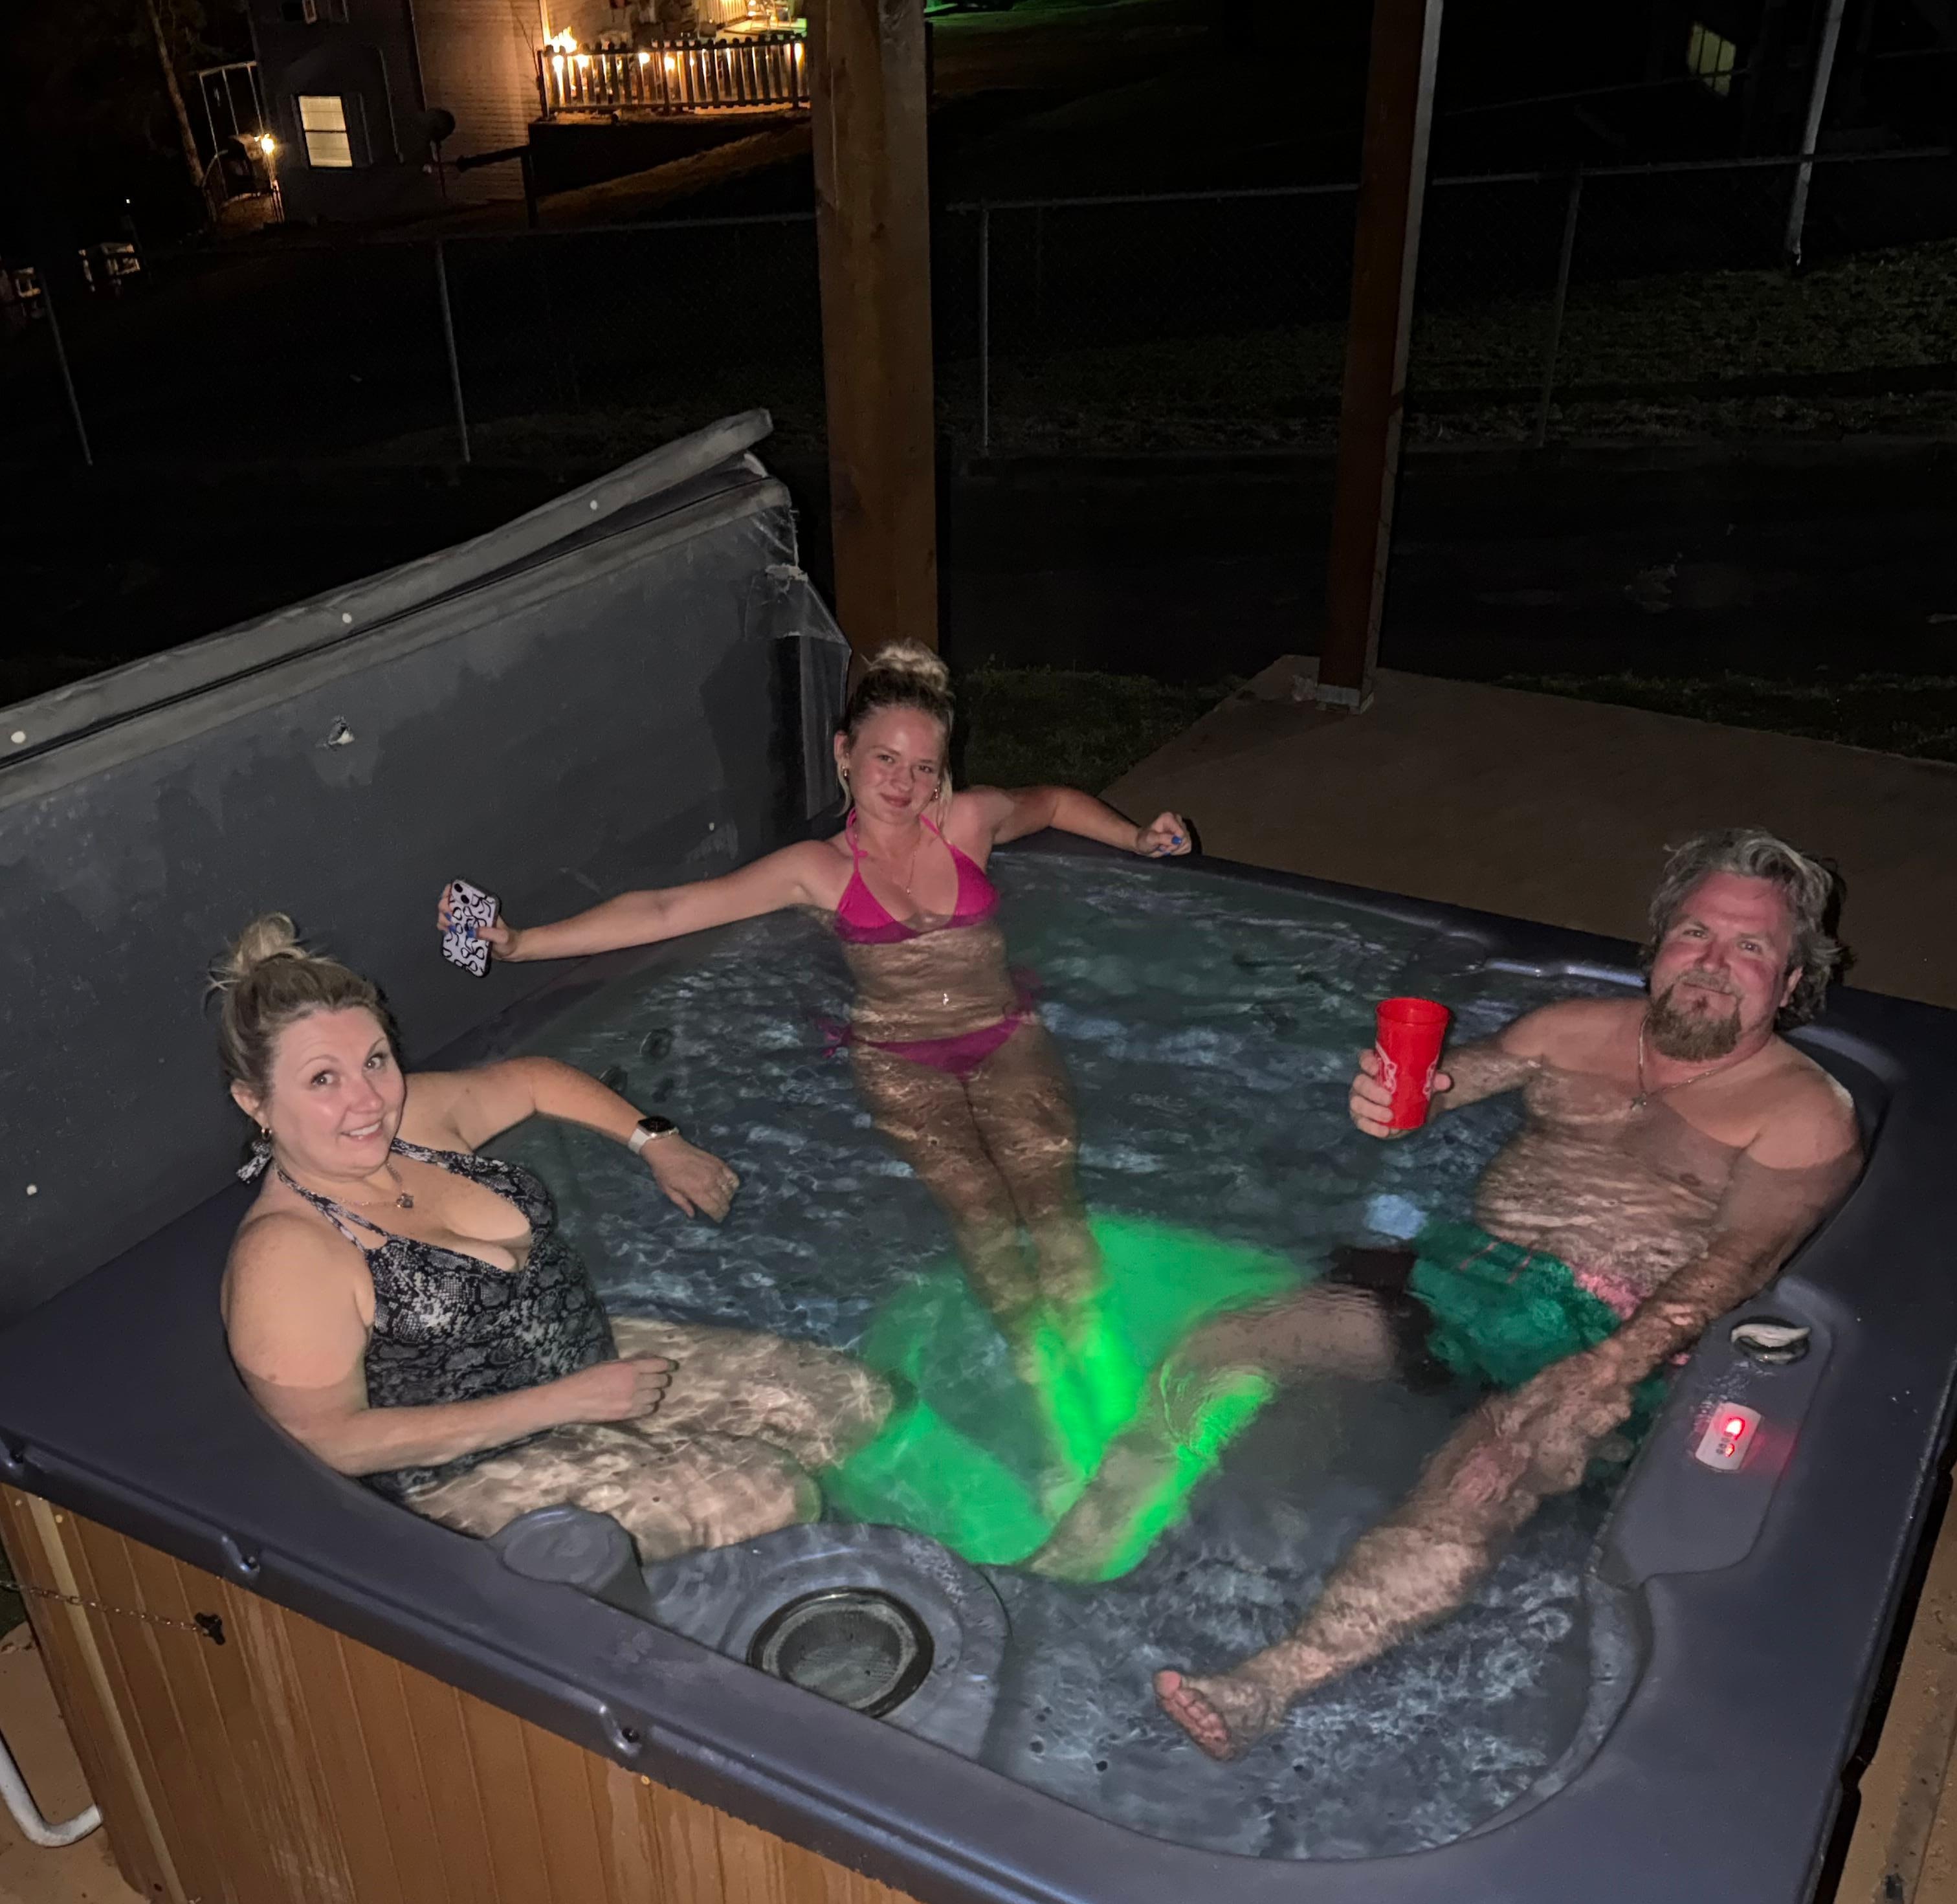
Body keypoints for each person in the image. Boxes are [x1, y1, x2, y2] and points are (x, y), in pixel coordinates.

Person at [1037, 829, 1864, 1758]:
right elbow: (1445, 1079)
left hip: (1603, 1333)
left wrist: (1607, 1371)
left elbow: (1739, 1262)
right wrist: (1400, 1096)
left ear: (1790, 982)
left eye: (1750, 947)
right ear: (1660, 941)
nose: (1712, 963)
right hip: (1460, 1285)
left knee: (1486, 1475)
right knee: (1230, 1337)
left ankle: (1267, 1686)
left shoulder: (1802, 1113)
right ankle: (1072, 1557)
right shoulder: (1569, 1031)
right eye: (1695, 933)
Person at [437, 641, 1191, 1360]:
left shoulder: (968, 823)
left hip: (1004, 1032)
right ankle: (1033, 1357)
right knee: (979, 1211)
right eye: (884, 759)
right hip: (900, 1056)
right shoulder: (816, 869)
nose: (902, 784)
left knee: (1049, 1194)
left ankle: (1094, 1343)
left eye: (923, 768)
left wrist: (1135, 838)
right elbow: (669, 909)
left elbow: (1052, 802)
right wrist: (523, 943)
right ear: (844, 754)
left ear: (942, 775)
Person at [216, 917, 888, 1562]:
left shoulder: (413, 1117)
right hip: (472, 1467)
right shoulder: (286, 1255)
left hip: (586, 1357)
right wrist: (560, 1404)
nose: (367, 1101)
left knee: (846, 1399)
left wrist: (658, 1142)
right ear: (255, 1102)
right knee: (768, 1493)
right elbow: (329, 1439)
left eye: (375, 1060)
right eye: (323, 1079)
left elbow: (532, 1080)